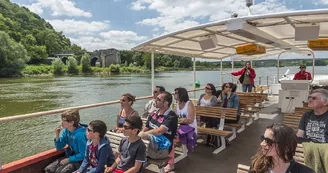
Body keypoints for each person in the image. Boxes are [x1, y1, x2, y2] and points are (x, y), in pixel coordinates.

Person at [139, 91, 178, 173]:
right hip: (149, 146)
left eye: (158, 99)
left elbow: (159, 131)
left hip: (162, 149)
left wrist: (142, 135)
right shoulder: (153, 114)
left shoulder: (171, 116)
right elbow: (146, 128)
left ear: (165, 103)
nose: (155, 100)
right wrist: (139, 135)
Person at [249, 124, 314, 173]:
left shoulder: (305, 171)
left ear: (286, 147)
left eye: (268, 141)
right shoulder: (258, 166)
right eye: (263, 138)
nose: (262, 144)